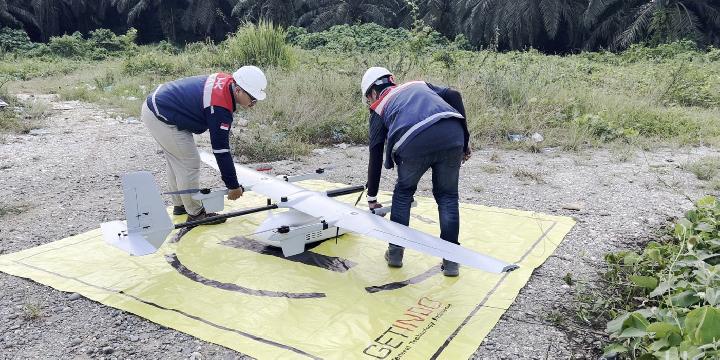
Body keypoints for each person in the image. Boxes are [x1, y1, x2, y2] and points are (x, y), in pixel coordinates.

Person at [361, 67, 472, 277]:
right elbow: (454, 95)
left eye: (368, 98)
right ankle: (451, 263)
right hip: (451, 135)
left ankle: (395, 254)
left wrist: (372, 196)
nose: (370, 102)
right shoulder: (418, 84)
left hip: (414, 142)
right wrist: (465, 141)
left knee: (403, 193)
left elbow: (375, 153)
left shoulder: (379, 107)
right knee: (448, 197)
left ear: (373, 92)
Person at [140, 66, 267, 223]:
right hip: (161, 114)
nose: (253, 104)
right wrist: (233, 185)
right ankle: (196, 214)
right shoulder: (220, 106)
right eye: (253, 99)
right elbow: (221, 150)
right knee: (189, 162)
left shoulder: (227, 81)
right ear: (239, 90)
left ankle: (180, 206)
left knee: (176, 160)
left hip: (158, 106)